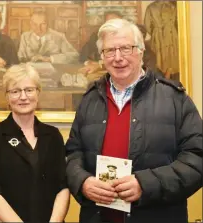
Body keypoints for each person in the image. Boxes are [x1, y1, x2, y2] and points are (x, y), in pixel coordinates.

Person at [66, 19, 203, 223]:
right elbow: (72, 154)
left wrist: (145, 184)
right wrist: (83, 182)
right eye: (110, 51)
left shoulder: (175, 99)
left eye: (126, 48)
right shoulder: (89, 100)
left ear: (141, 51)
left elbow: (196, 160)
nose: (118, 58)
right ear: (102, 57)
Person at [0, 63, 70, 223]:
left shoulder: (53, 135)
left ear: (38, 93)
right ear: (7, 97)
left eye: (29, 90)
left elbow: (62, 187)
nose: (23, 97)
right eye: (15, 91)